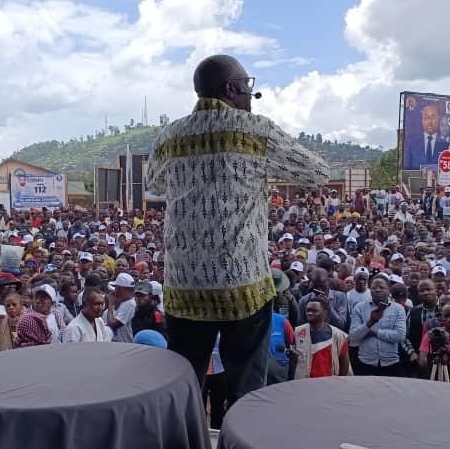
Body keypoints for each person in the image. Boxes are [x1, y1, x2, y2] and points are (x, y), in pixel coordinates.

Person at [145, 54, 329, 401]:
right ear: (231, 88)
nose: (250, 97)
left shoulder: (171, 135)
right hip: (241, 286)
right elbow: (316, 174)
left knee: (183, 386)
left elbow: (154, 185)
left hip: (184, 287)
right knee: (246, 392)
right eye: (247, 88)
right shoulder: (255, 130)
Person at [291, 296, 350, 379]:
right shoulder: (297, 332)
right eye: (308, 310)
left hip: (328, 384)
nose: (309, 313)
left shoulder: (339, 335)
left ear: (325, 313)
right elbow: (293, 361)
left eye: (314, 311)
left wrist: (339, 383)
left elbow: (344, 363)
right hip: (304, 384)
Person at [403, 103, 450, 168]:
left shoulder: (446, 145)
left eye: (433, 117)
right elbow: (407, 169)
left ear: (438, 119)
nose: (430, 122)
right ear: (422, 120)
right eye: (426, 117)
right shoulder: (412, 143)